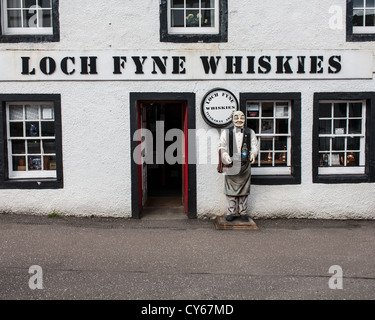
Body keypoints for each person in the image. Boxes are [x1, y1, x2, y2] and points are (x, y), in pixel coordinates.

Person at [218, 111, 259, 222]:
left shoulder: (250, 132)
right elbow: (222, 146)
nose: (239, 119)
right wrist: (225, 155)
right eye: (236, 117)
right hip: (231, 165)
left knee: (244, 191)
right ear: (232, 119)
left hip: (245, 165)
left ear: (245, 119)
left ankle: (243, 212)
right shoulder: (226, 133)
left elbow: (255, 145)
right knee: (230, 191)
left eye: (242, 117)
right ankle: (231, 212)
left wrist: (253, 154)